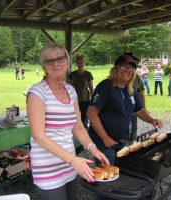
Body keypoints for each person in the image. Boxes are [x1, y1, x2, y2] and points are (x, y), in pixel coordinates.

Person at [26, 43, 109, 200]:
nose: (56, 63)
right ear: (43, 67)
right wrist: (73, 160)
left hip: (70, 164)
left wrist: (92, 148)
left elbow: (78, 126)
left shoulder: (70, 91)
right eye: (49, 61)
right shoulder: (37, 92)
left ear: (68, 62)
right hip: (48, 167)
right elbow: (38, 136)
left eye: (60, 58)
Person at [87, 52, 163, 167]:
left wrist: (151, 120)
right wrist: (105, 138)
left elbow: (139, 110)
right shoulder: (106, 86)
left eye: (131, 68)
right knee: (108, 174)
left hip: (121, 142)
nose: (127, 70)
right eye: (124, 67)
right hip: (104, 143)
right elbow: (91, 113)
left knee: (120, 171)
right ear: (115, 69)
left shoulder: (131, 89)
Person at [68, 55, 94, 129]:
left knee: (84, 118)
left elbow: (91, 88)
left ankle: (85, 132)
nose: (80, 64)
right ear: (76, 64)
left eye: (82, 62)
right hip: (74, 99)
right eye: (78, 62)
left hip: (85, 99)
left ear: (84, 63)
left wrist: (93, 99)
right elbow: (68, 88)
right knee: (74, 116)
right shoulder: (72, 74)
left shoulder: (88, 74)